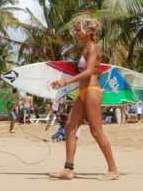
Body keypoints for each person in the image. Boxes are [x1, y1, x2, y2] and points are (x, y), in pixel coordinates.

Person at [49, 18, 119, 181]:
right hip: (83, 93)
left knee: (96, 131)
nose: (75, 32)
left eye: (78, 30)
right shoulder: (85, 48)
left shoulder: (93, 48)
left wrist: (65, 82)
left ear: (88, 32)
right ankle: (68, 169)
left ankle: (113, 169)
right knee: (69, 128)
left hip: (92, 92)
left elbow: (89, 72)